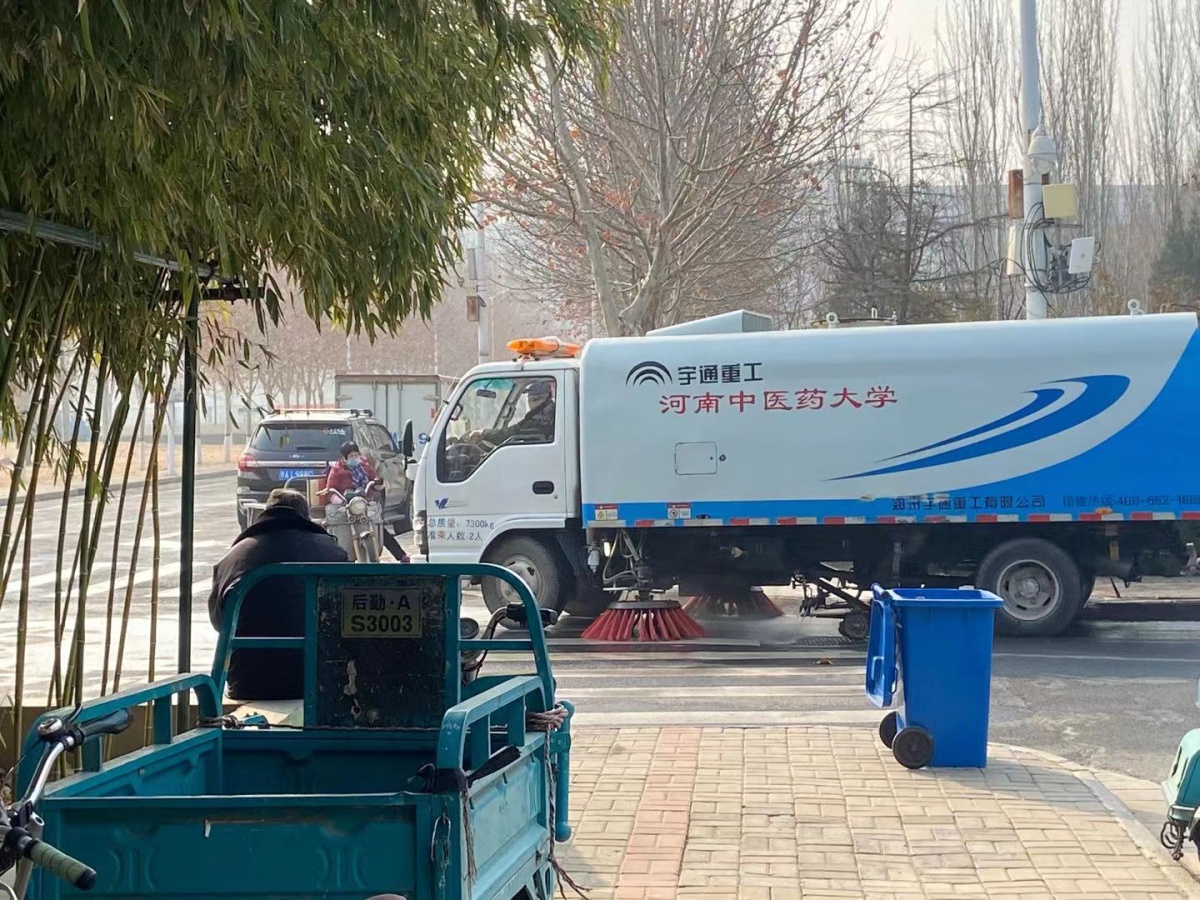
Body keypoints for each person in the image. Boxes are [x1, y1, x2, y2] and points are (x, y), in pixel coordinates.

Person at [207, 488, 348, 701]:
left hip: (248, 681)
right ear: (306, 516)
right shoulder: (332, 551)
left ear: (265, 513)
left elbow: (220, 622)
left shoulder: (234, 556)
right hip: (320, 679)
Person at [326, 441, 410, 562]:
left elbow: (374, 481)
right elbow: (330, 490)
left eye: (356, 455)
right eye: (351, 456)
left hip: (364, 504)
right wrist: (339, 500)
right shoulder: (337, 470)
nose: (355, 458)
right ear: (344, 458)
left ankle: (401, 555)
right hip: (347, 506)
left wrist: (378, 483)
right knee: (340, 532)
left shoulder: (365, 466)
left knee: (379, 528)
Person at [471, 378, 556, 445]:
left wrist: (484, 433)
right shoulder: (549, 412)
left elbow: (511, 433)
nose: (530, 402)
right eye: (529, 398)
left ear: (542, 398)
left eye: (532, 399)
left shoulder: (542, 417)